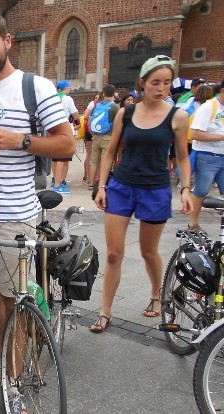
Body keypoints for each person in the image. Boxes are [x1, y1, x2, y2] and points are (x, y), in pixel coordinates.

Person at [0, 9, 74, 407]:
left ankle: (17, 379)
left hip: (15, 216)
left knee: (14, 300)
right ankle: (0, 363)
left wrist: (19, 140)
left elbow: (66, 144)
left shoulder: (35, 87)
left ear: (7, 41)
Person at [91, 55, 192, 333]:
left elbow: (182, 157)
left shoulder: (178, 116)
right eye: (155, 82)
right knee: (113, 254)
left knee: (149, 252)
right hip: (122, 187)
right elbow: (110, 150)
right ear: (143, 83)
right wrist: (101, 185)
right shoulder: (127, 113)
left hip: (156, 189)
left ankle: (157, 295)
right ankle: (105, 311)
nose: (161, 88)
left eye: (167, 83)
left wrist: (185, 189)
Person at [187, 84, 224, 233]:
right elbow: (195, 134)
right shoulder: (208, 107)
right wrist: (221, 137)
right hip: (207, 156)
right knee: (201, 191)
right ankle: (193, 224)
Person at [87, 84, 120, 189]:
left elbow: (89, 119)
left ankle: (91, 183)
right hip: (108, 136)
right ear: (114, 93)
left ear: (103, 93)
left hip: (96, 136)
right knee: (105, 160)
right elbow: (118, 123)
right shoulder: (115, 106)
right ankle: (101, 183)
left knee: (94, 160)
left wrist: (93, 133)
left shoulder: (97, 105)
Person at [51, 79, 80, 194]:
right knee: (63, 158)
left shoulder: (53, 98)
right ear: (64, 88)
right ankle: (59, 184)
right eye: (69, 87)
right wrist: (77, 122)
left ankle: (55, 180)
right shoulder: (67, 99)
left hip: (53, 129)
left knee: (55, 158)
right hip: (66, 129)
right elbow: (75, 114)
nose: (70, 89)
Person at [83, 92, 100, 184]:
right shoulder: (110, 104)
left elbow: (85, 116)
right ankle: (98, 177)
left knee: (89, 154)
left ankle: (89, 177)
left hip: (89, 131)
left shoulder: (92, 103)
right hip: (102, 132)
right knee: (100, 155)